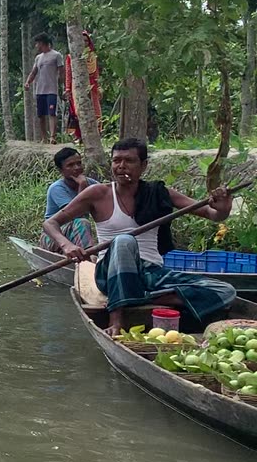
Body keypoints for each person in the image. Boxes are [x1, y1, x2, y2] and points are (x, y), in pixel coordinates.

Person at [43, 138, 236, 335]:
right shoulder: (98, 193)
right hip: (111, 275)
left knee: (226, 291)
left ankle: (140, 296)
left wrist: (223, 207)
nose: (121, 166)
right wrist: (66, 245)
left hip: (152, 274)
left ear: (143, 166)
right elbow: (50, 223)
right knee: (124, 241)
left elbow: (213, 215)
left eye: (129, 160)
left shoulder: (157, 192)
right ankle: (116, 318)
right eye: (116, 160)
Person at [40, 146, 98, 253]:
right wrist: (82, 186)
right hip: (53, 237)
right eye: (70, 165)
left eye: (79, 163)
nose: (76, 168)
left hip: (78, 234)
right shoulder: (57, 188)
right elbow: (76, 213)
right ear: (61, 170)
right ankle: (88, 258)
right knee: (81, 222)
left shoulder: (92, 184)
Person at [25, 33, 66, 144]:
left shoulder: (56, 55)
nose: (36, 46)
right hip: (40, 90)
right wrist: (28, 82)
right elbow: (34, 72)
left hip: (52, 90)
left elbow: (62, 72)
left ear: (43, 43)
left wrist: (64, 86)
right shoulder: (38, 58)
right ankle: (44, 138)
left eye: (37, 43)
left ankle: (52, 137)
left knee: (52, 113)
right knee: (41, 115)